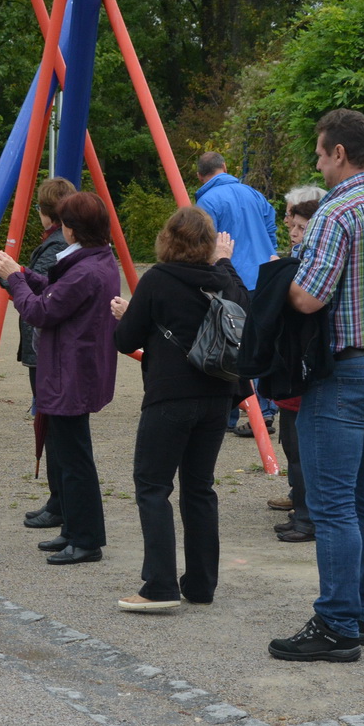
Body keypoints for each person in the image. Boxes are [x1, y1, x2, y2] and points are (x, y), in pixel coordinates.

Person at [268, 109, 364, 663]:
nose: (316, 163)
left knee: (333, 506)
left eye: (319, 153)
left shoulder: (337, 213)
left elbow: (310, 297)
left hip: (345, 374)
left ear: (339, 152)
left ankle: (335, 625)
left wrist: (274, 287)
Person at [0, 191, 120, 565]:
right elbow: (55, 296)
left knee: (74, 460)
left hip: (71, 373)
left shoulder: (87, 269)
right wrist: (18, 273)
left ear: (71, 229)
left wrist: (13, 278)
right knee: (70, 456)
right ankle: (73, 530)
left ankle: (86, 539)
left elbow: (40, 311)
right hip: (74, 370)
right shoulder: (97, 260)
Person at [109, 208, 244, 610]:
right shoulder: (223, 279)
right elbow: (243, 307)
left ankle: (160, 585)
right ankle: (201, 584)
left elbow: (124, 339)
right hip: (218, 395)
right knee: (199, 488)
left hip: (171, 394)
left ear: (168, 239)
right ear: (209, 245)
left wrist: (126, 315)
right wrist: (224, 261)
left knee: (153, 486)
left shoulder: (158, 279)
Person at [195, 152, 278, 436]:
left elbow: (204, 247)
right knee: (260, 342)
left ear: (199, 176)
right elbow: (271, 228)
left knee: (229, 343)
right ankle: (264, 407)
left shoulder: (207, 202)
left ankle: (235, 412)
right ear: (225, 167)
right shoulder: (254, 194)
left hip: (231, 278)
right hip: (264, 276)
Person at [267, 186, 327, 543]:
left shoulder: (308, 266)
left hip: (301, 368)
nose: (292, 230)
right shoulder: (299, 259)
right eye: (292, 224)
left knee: (303, 450)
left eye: (301, 226)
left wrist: (277, 279)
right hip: (292, 369)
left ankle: (307, 517)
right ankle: (301, 509)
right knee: (293, 445)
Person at [16, 176, 77, 527]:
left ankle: (60, 502)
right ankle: (57, 498)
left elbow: (40, 301)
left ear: (45, 212)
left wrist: (12, 279)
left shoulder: (54, 247)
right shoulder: (57, 244)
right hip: (44, 346)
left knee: (53, 428)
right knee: (50, 426)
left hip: (45, 348)